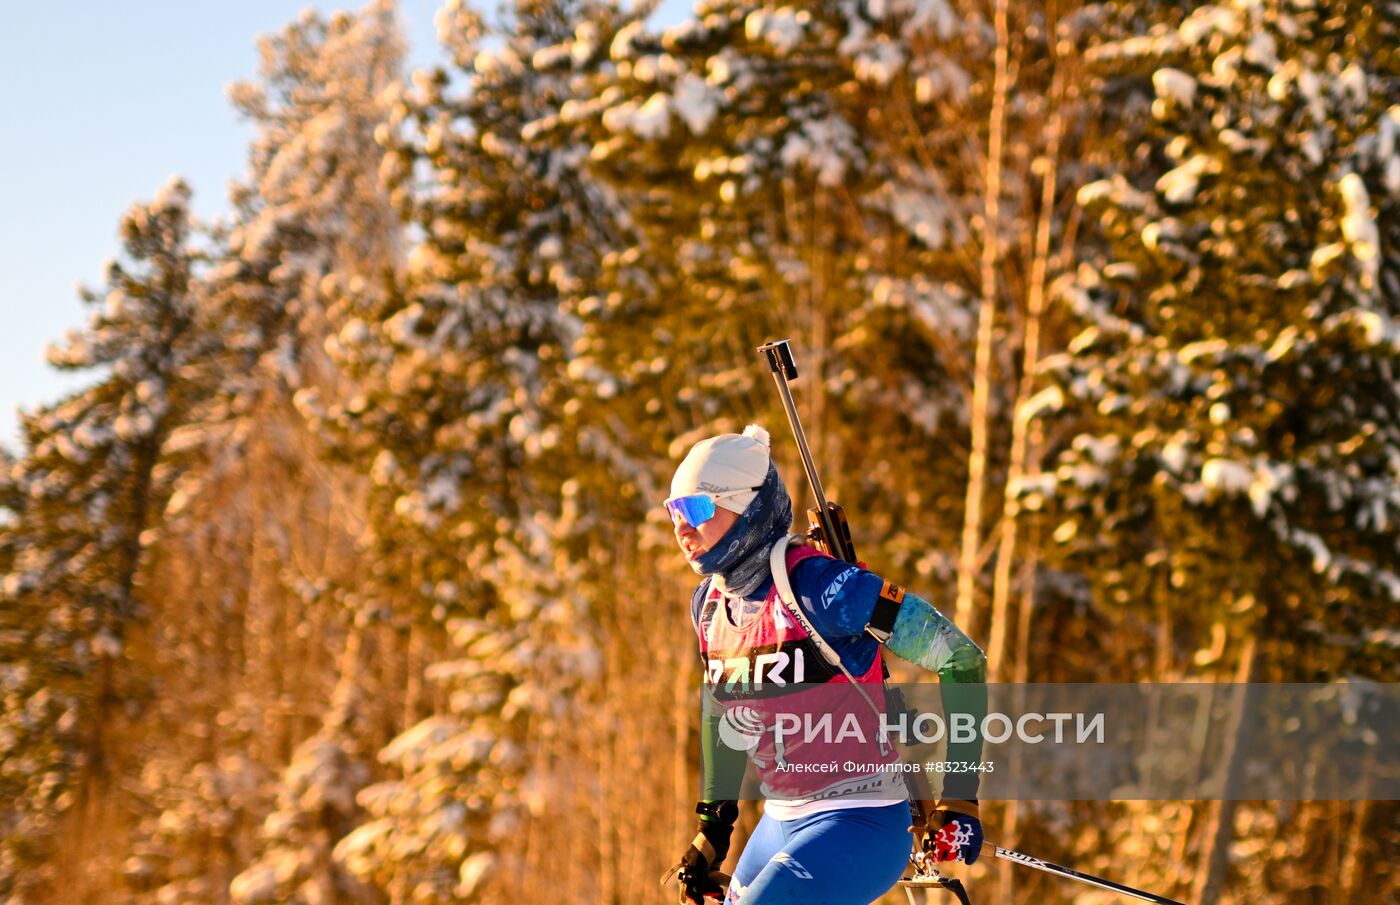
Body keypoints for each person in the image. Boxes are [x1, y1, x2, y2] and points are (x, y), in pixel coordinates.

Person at [663, 425, 989, 905]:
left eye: (695, 508)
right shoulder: (709, 606)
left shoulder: (822, 587)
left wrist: (961, 793)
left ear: (749, 508)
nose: (681, 528)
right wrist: (712, 831)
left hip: (862, 817)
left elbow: (961, 658)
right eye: (672, 511)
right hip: (780, 819)